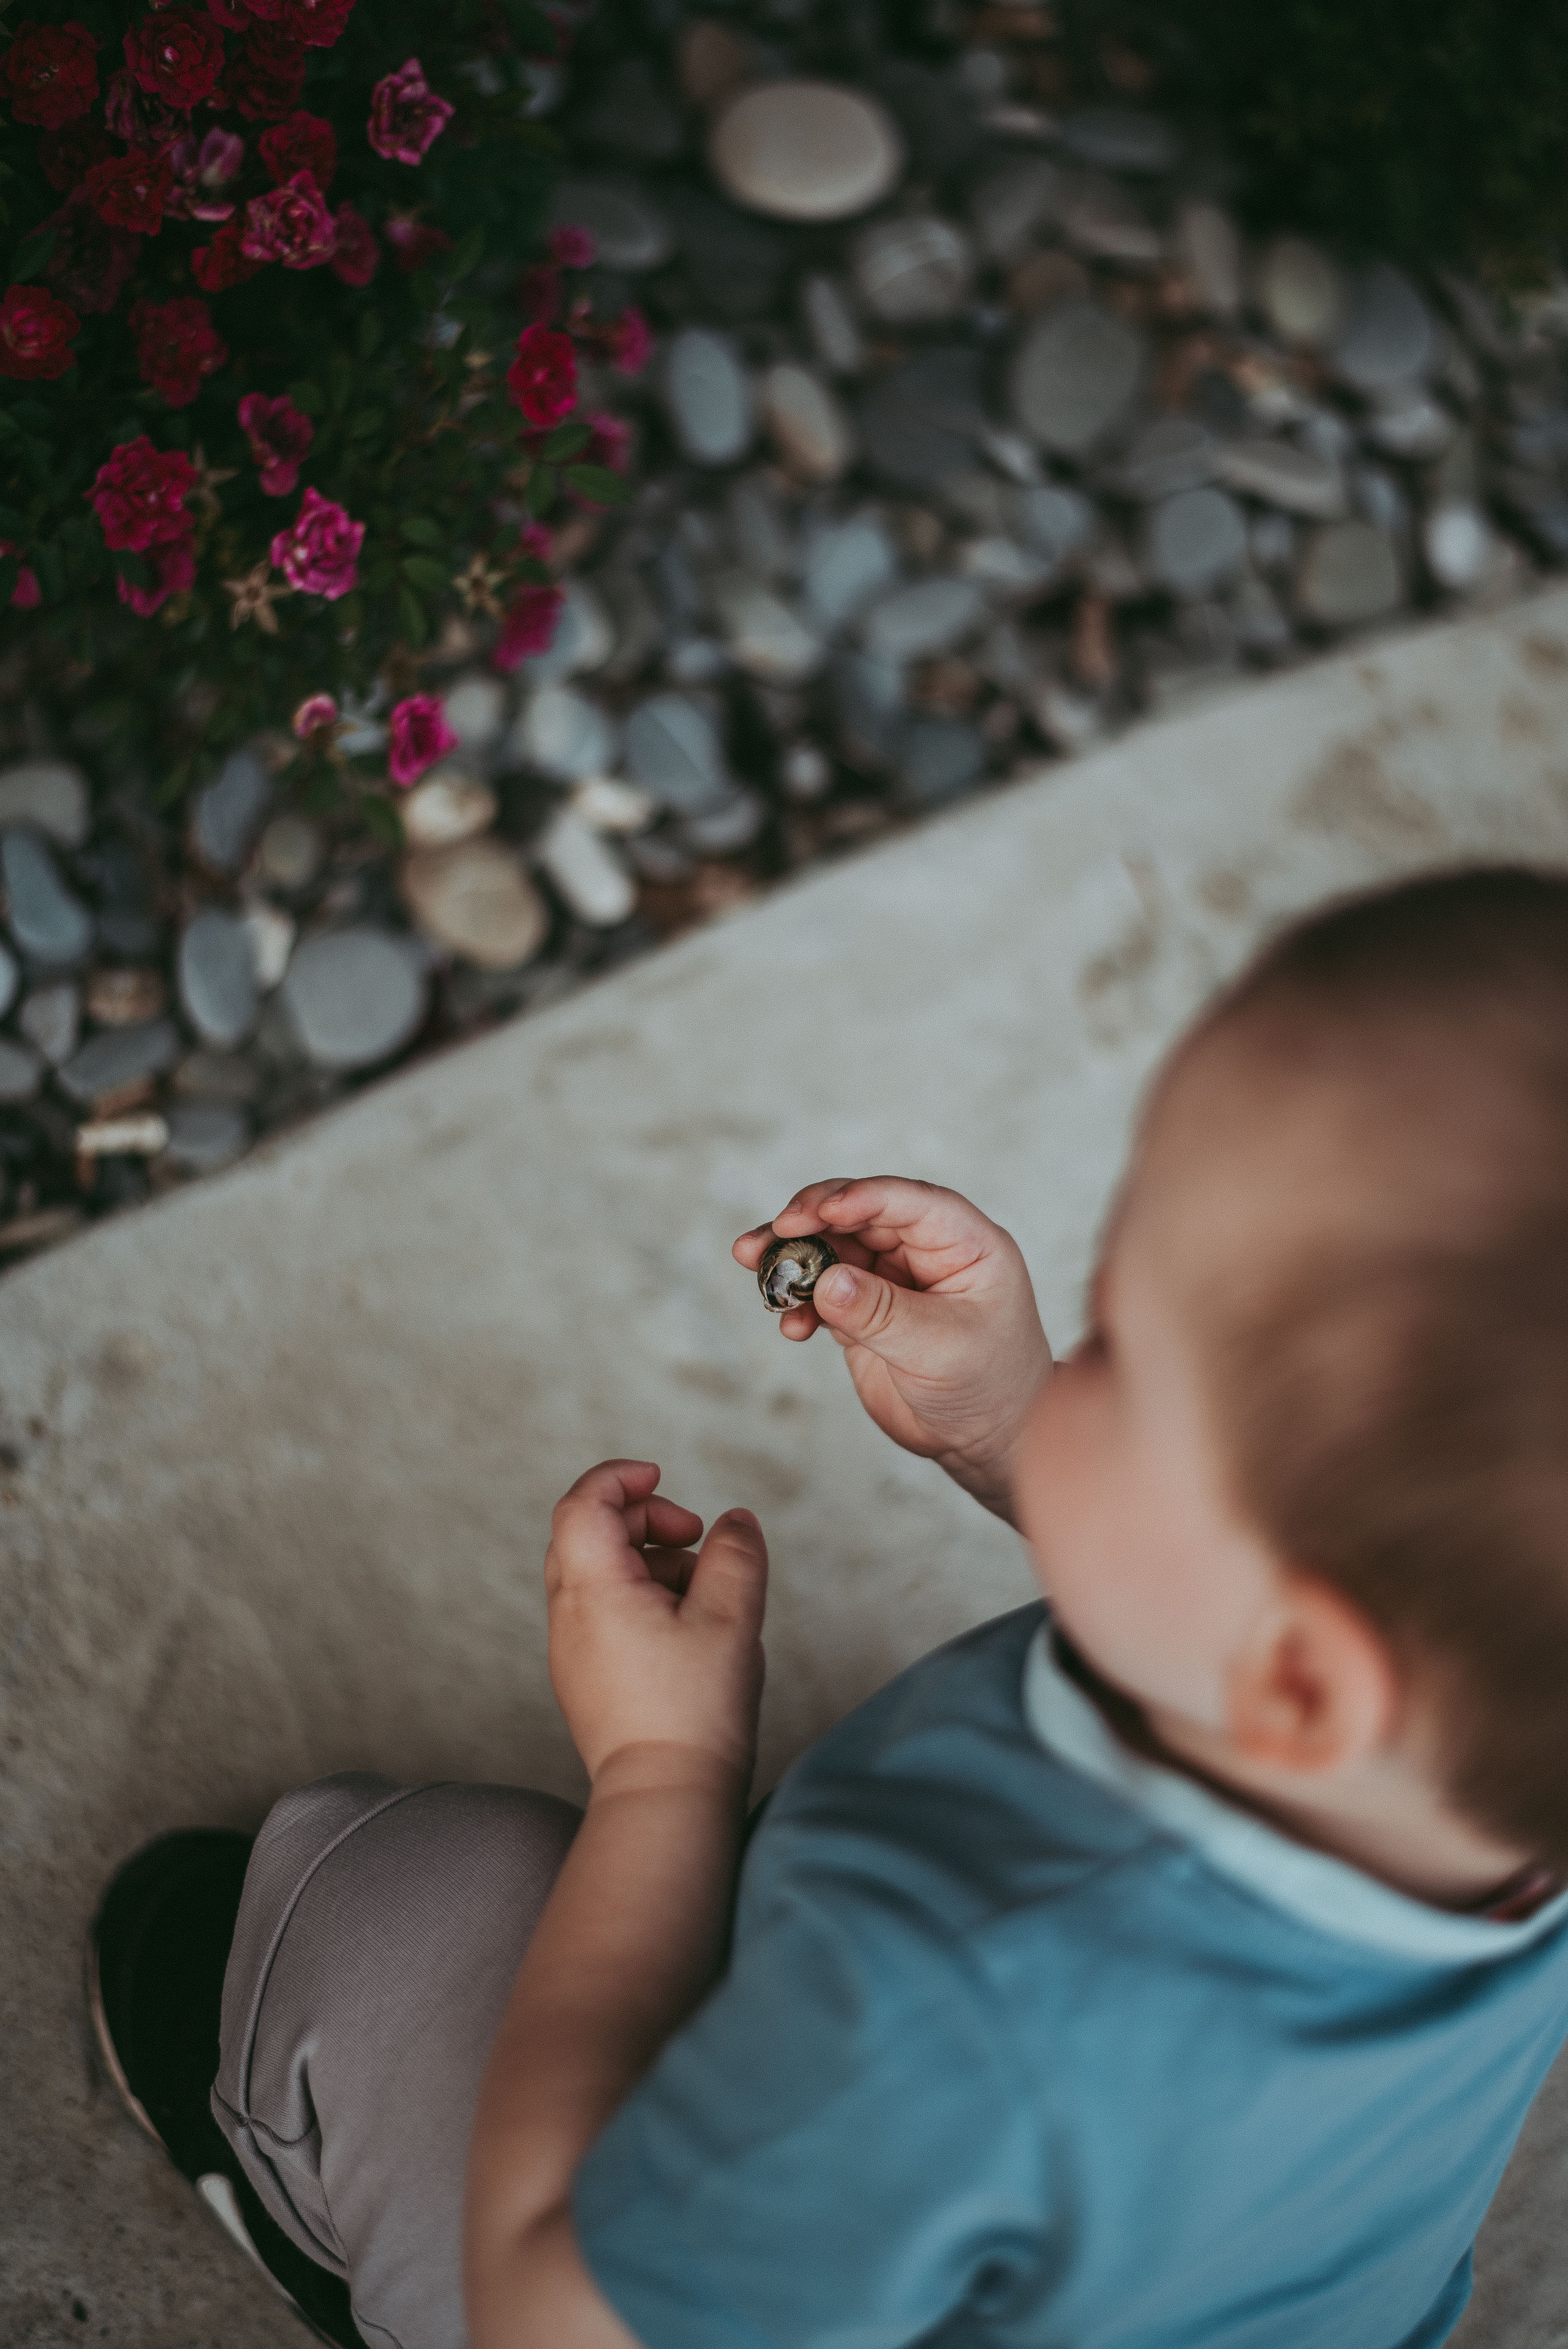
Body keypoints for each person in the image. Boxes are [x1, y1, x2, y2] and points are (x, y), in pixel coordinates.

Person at [89, 865, 1568, 2349]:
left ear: (1305, 1682)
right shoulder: (1486, 1783)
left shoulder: (966, 2011)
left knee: (402, 1886)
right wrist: (1014, 1421)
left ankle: (303, 2198)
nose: (1085, 1330)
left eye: (1121, 1350)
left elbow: (560, 2318)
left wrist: (660, 1779)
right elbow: (1207, 1616)